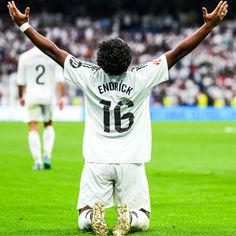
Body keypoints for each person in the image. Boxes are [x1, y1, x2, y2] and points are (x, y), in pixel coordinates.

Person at [7, 0, 228, 235]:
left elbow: (53, 50)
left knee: (83, 217)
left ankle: (94, 215)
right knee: (143, 217)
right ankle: (130, 219)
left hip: (96, 160)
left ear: (100, 60)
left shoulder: (88, 75)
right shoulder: (142, 77)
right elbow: (178, 52)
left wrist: (24, 26)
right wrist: (208, 27)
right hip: (132, 160)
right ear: (129, 59)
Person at [17, 43, 65, 170]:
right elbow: (59, 80)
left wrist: (21, 96)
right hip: (48, 96)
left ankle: (37, 161)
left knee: (33, 127)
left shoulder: (25, 57)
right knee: (48, 125)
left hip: (31, 96)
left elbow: (21, 81)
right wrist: (61, 97)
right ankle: (47, 155)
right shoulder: (52, 56)